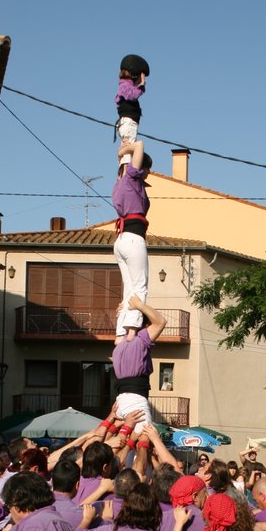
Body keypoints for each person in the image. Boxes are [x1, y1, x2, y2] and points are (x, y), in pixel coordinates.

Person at [112, 138, 152, 335]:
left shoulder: (119, 184)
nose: (149, 172)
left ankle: (121, 334)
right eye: (147, 168)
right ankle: (132, 331)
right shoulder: (130, 178)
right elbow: (140, 144)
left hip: (121, 241)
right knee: (139, 286)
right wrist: (124, 150)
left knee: (129, 289)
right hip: (133, 238)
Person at [112, 294, 166, 425]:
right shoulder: (140, 339)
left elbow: (119, 337)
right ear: (145, 324)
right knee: (143, 439)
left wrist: (124, 313)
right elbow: (160, 322)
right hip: (135, 398)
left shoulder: (121, 343)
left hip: (120, 400)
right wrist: (139, 306)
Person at [115, 53, 149, 165]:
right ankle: (126, 173)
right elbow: (132, 95)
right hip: (128, 123)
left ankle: (123, 171)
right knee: (128, 150)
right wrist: (142, 85)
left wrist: (139, 85)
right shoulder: (124, 86)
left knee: (128, 148)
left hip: (128, 123)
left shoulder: (125, 85)